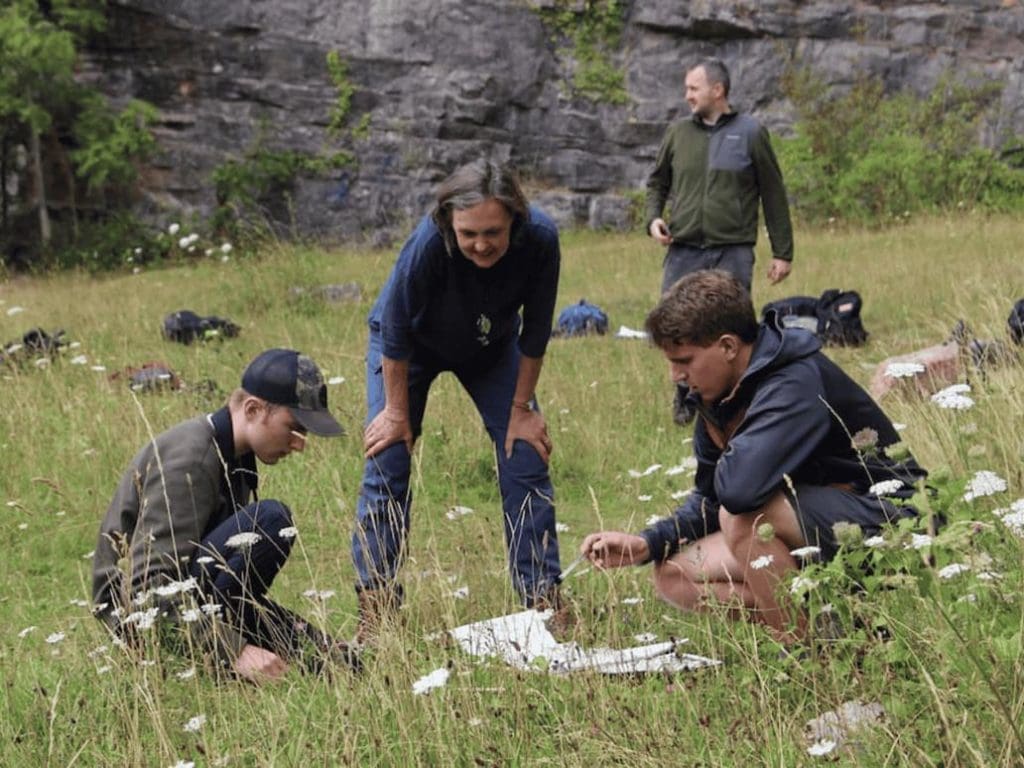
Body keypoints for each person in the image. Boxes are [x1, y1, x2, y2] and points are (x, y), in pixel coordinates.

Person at [580, 271, 928, 642]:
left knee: (746, 520)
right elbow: (711, 494)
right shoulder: (721, 392)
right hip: (816, 521)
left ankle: (803, 652)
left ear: (728, 347)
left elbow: (739, 494)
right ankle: (836, 628)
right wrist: (648, 542)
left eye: (684, 360)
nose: (675, 375)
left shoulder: (793, 379)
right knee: (673, 576)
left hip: (896, 520)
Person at [352, 159, 566, 642]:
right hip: (409, 347)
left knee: (526, 453)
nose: (482, 244)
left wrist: (521, 411)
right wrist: (397, 413)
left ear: (515, 217)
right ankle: (377, 610)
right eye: (469, 233)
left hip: (491, 347)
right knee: (387, 458)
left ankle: (543, 602)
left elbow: (536, 330)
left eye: (493, 231)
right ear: (450, 223)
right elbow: (395, 325)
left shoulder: (541, 240)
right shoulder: (429, 242)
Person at [92, 348, 359, 682]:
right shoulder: (191, 461)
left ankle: (314, 656)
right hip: (135, 619)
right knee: (271, 520)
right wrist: (233, 650)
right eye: (295, 427)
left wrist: (314, 644)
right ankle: (231, 657)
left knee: (342, 664)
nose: (300, 444)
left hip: (184, 600)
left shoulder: (233, 453)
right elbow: (149, 590)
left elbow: (225, 591)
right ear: (253, 409)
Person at [644, 57, 795, 425]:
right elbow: (656, 182)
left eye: (693, 88)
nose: (687, 96)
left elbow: (773, 193)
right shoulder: (678, 132)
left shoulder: (751, 132)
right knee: (675, 326)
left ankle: (736, 400)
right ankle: (685, 399)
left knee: (732, 330)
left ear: (718, 90)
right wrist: (653, 218)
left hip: (733, 250)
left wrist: (783, 252)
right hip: (683, 250)